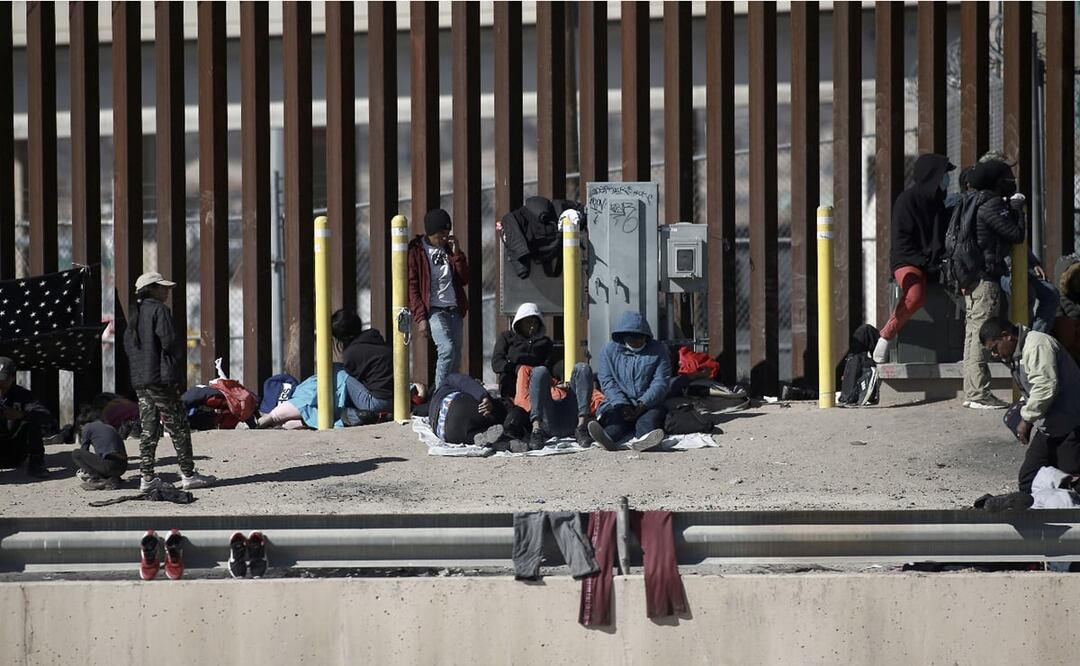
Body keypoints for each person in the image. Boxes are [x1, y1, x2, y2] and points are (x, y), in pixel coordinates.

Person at [124, 271, 216, 491]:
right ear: (152, 289)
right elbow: (170, 342)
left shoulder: (134, 315)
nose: (167, 291)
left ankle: (146, 478)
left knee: (149, 428)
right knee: (179, 426)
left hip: (141, 381)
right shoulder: (159, 310)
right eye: (163, 287)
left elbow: (130, 348)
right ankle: (188, 474)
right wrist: (174, 365)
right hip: (160, 380)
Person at [980, 318, 1080, 493]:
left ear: (1006, 336)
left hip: (1071, 424)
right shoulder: (1019, 353)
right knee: (1028, 480)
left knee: (1071, 482)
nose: (995, 355)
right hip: (1050, 427)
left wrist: (1026, 419)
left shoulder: (1037, 345)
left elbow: (1045, 387)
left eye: (995, 349)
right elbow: (1032, 389)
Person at [873, 154, 956, 363]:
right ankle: (886, 335)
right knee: (915, 294)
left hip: (933, 263)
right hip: (908, 260)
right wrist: (926, 263)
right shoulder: (907, 200)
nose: (946, 179)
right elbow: (902, 244)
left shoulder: (938, 202)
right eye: (943, 174)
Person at [960, 159, 1026, 410]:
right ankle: (978, 394)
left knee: (971, 336)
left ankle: (972, 391)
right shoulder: (991, 204)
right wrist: (1018, 210)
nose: (1010, 181)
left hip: (971, 278)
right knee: (981, 337)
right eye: (1007, 177)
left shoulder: (970, 201)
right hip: (985, 279)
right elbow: (1016, 235)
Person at [588, 311, 671, 452]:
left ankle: (646, 441)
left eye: (640, 336)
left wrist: (643, 404)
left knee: (647, 421)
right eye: (632, 336)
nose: (637, 340)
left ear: (647, 336)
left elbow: (661, 382)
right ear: (623, 335)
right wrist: (622, 405)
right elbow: (607, 382)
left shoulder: (659, 350)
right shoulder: (608, 352)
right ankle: (606, 438)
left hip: (649, 404)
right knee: (615, 423)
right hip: (616, 403)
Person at [408, 208, 470, 390]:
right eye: (441, 234)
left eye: (447, 234)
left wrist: (457, 254)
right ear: (431, 232)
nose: (444, 238)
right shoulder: (417, 251)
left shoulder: (450, 249)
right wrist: (420, 318)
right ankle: (439, 393)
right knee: (446, 349)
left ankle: (452, 392)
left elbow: (464, 279)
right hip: (434, 309)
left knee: (456, 356)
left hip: (454, 308)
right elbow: (412, 287)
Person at [333, 309, 393, 426]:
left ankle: (349, 413)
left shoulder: (351, 353)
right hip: (396, 401)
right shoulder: (375, 339)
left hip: (375, 403)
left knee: (340, 373)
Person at [491, 302, 554, 400]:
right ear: (519, 323)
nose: (532, 327)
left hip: (536, 387)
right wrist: (517, 369)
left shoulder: (545, 342)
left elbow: (548, 366)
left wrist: (532, 372)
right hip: (511, 389)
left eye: (535, 323)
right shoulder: (507, 337)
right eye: (528, 322)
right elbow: (497, 363)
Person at [0, 357, 50, 479]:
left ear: (12, 378)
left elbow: (45, 416)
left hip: (14, 453)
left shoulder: (22, 395)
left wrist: (21, 415)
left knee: (33, 417)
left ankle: (37, 463)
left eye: (3, 380)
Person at [427, 373, 506, 448]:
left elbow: (416, 410)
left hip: (447, 435)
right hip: (456, 406)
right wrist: (483, 396)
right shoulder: (447, 380)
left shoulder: (431, 407)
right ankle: (509, 431)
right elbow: (465, 382)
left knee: (474, 432)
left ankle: (477, 437)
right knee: (497, 408)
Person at [71, 404, 129, 490]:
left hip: (110, 466)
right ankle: (112, 478)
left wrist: (85, 470)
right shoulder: (108, 426)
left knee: (76, 453)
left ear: (81, 425)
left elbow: (84, 450)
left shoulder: (87, 427)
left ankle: (98, 480)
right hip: (122, 468)